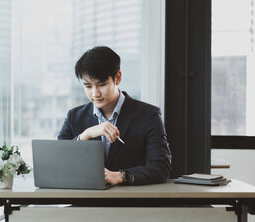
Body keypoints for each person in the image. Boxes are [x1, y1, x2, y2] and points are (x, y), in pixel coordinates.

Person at [58, 46, 172, 186]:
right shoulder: (74, 117)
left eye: (101, 85)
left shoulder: (148, 115)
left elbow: (161, 168)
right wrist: (85, 135)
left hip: (129, 203)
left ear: (117, 78)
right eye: (88, 86)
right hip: (84, 204)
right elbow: (58, 163)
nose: (95, 93)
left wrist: (122, 176)